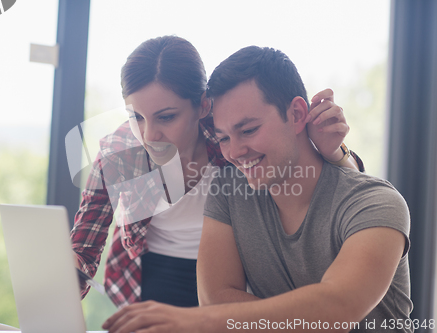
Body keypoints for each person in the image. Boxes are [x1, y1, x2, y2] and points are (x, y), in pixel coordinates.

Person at [102, 46, 412, 333]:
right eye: (223, 138)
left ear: (297, 115)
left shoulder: (376, 203)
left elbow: (338, 308)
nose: (234, 152)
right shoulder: (229, 190)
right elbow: (216, 298)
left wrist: (191, 320)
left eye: (248, 130)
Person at [71, 36, 361, 310]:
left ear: (203, 105)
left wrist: (333, 151)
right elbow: (83, 249)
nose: (149, 135)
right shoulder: (120, 153)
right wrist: (61, 273)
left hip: (236, 278)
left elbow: (332, 182)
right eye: (136, 117)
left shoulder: (232, 135)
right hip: (147, 279)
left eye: (167, 116)